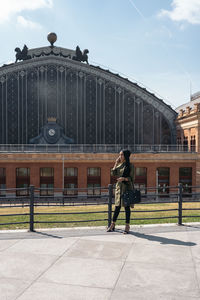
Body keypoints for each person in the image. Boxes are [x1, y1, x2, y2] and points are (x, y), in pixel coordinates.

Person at [107, 149, 134, 234]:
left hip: (127, 188)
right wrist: (116, 162)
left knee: (127, 208)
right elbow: (113, 173)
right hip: (119, 189)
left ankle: (127, 226)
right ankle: (112, 225)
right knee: (117, 207)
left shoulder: (130, 166)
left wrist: (124, 178)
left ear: (125, 156)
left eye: (121, 155)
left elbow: (132, 178)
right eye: (119, 155)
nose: (120, 156)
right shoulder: (119, 165)